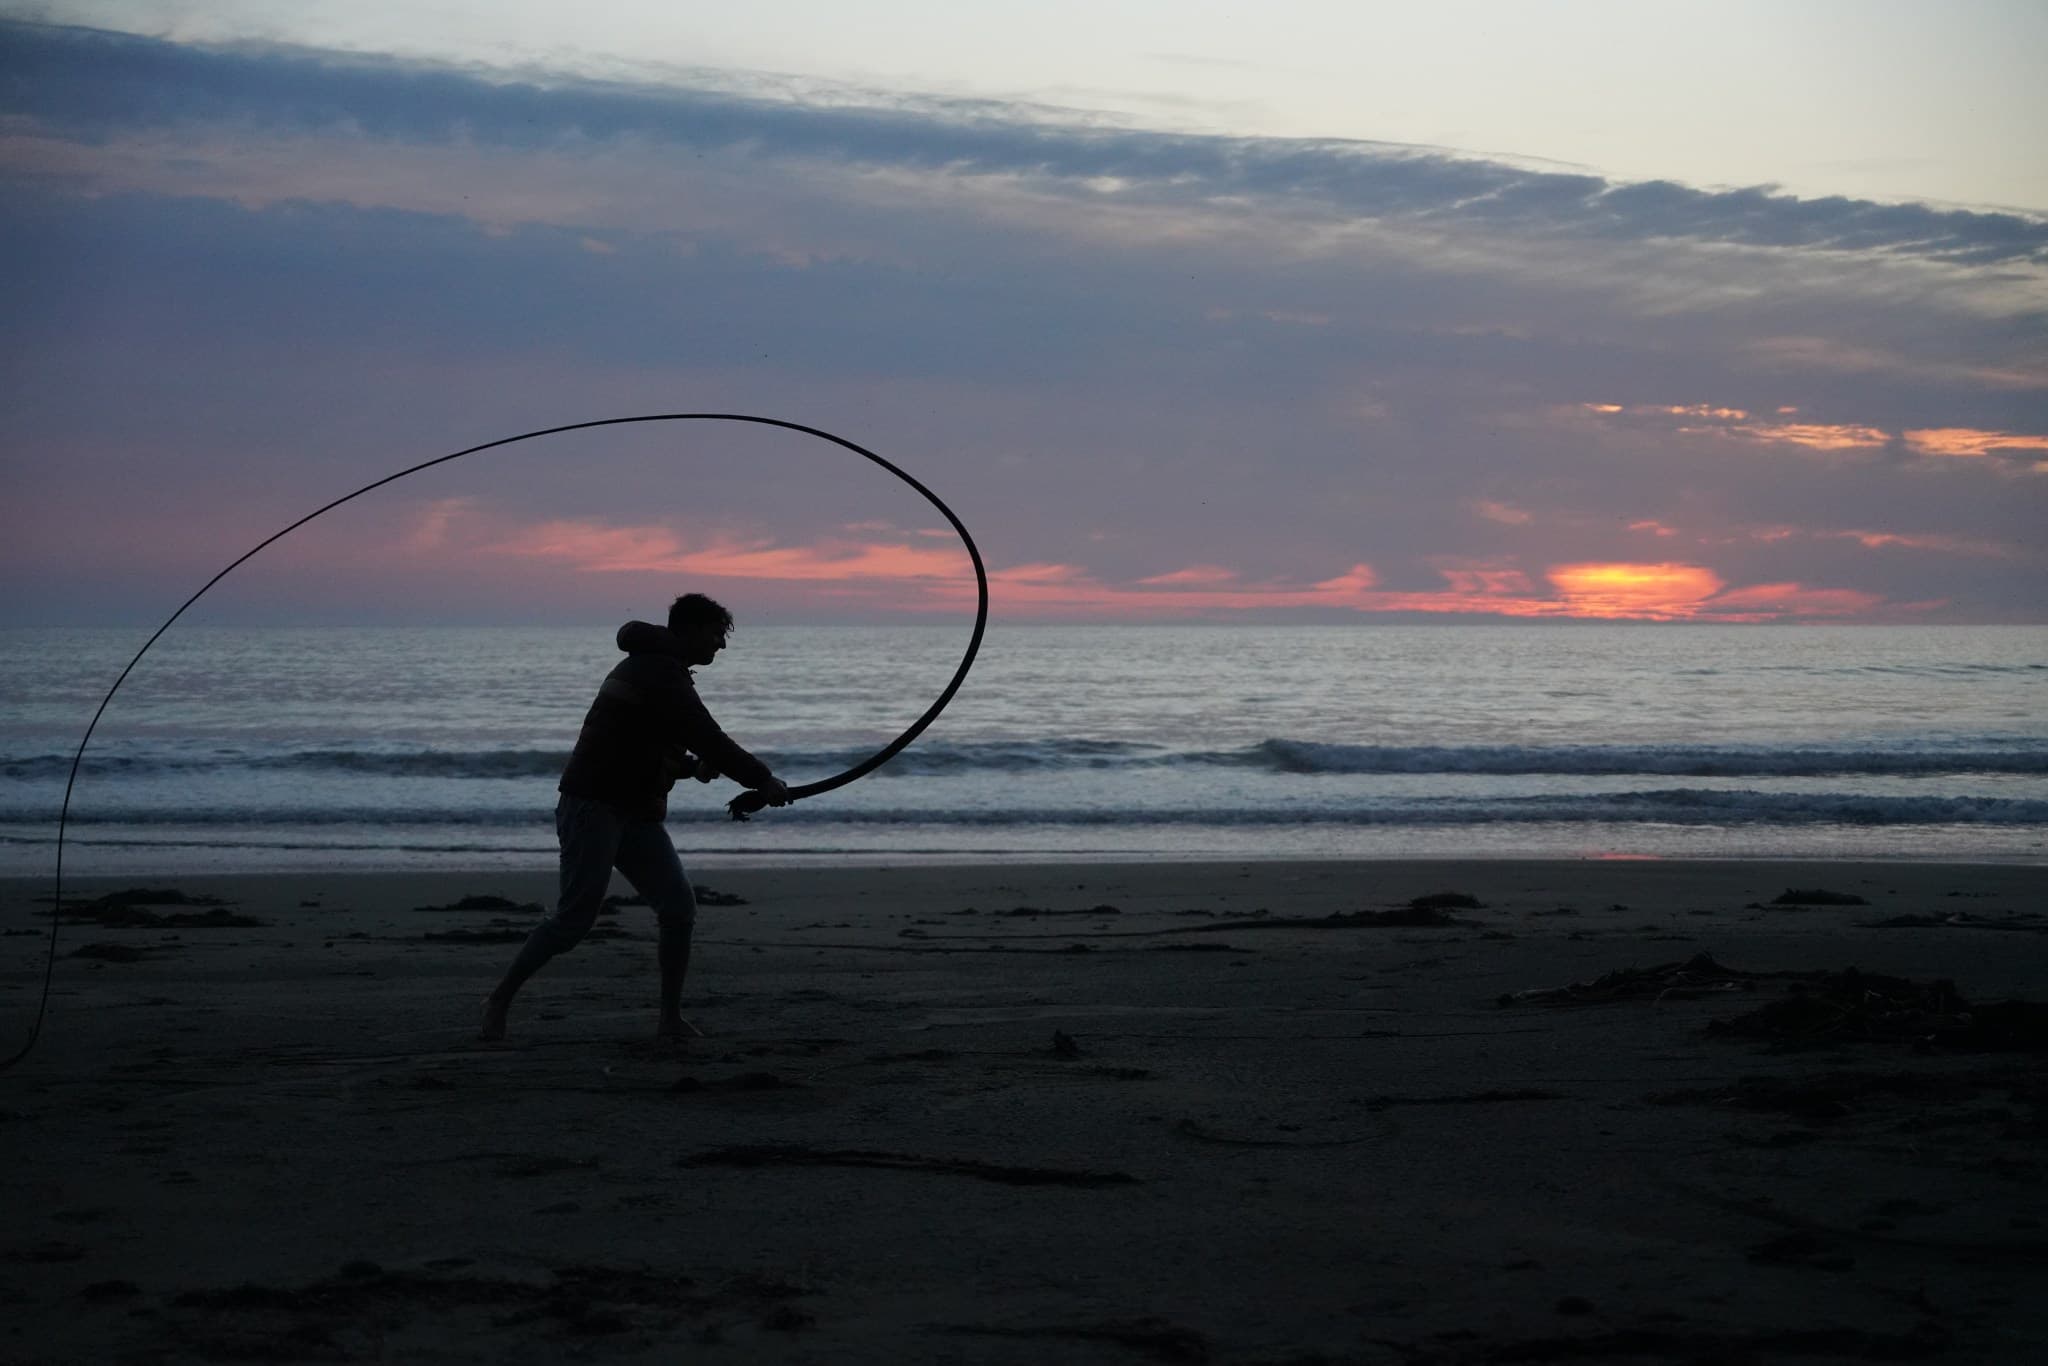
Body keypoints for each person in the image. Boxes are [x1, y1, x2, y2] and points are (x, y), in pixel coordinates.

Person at [480, 593, 788, 1042]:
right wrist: (762, 778)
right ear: (690, 630)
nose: (721, 645)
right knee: (573, 921)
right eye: (717, 633)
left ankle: (669, 1020)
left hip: (635, 811)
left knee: (679, 907)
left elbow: (643, 746)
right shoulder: (660, 671)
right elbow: (707, 736)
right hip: (594, 806)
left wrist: (687, 768)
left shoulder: (662, 670)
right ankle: (499, 999)